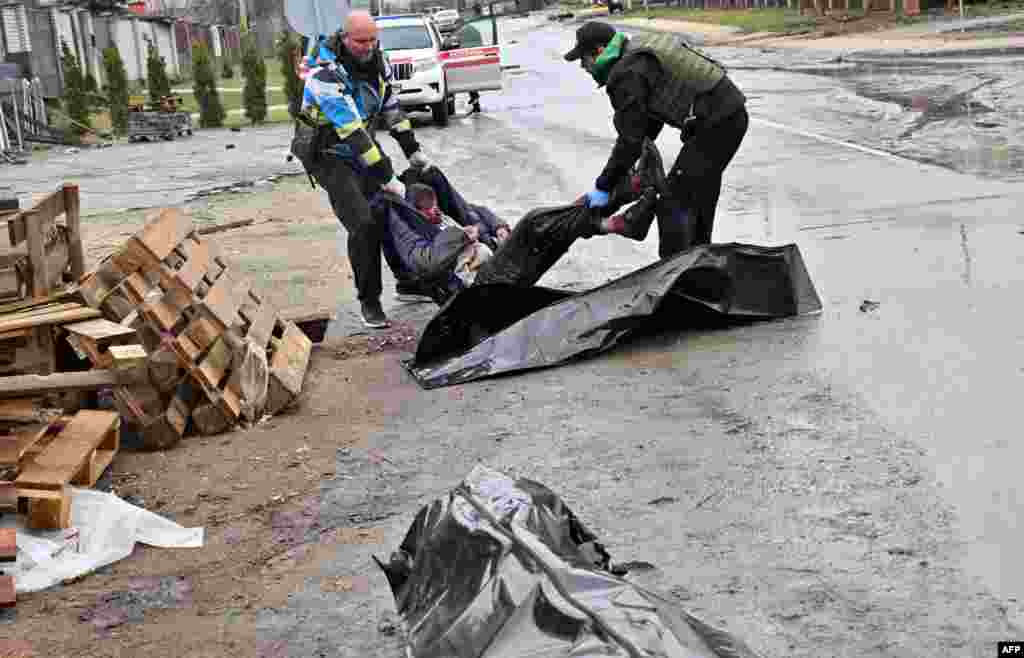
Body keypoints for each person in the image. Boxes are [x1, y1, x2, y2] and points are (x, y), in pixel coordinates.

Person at [293, 10, 436, 328]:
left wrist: (412, 150)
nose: (367, 46)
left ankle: (407, 281)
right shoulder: (322, 72)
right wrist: (387, 177)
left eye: (372, 39)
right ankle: (369, 302)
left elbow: (391, 108)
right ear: (344, 38)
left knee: (391, 209)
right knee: (363, 223)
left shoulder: (378, 62)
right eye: (360, 41)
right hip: (327, 152)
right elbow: (351, 131)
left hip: (361, 147)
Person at [564, 21, 748, 258]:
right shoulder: (636, 52)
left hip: (719, 124)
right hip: (726, 118)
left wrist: (603, 187)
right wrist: (638, 157)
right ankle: (700, 269)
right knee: (696, 200)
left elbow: (629, 139)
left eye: (583, 59)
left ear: (599, 51)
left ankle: (676, 274)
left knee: (674, 204)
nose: (583, 67)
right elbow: (648, 122)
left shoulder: (626, 72)